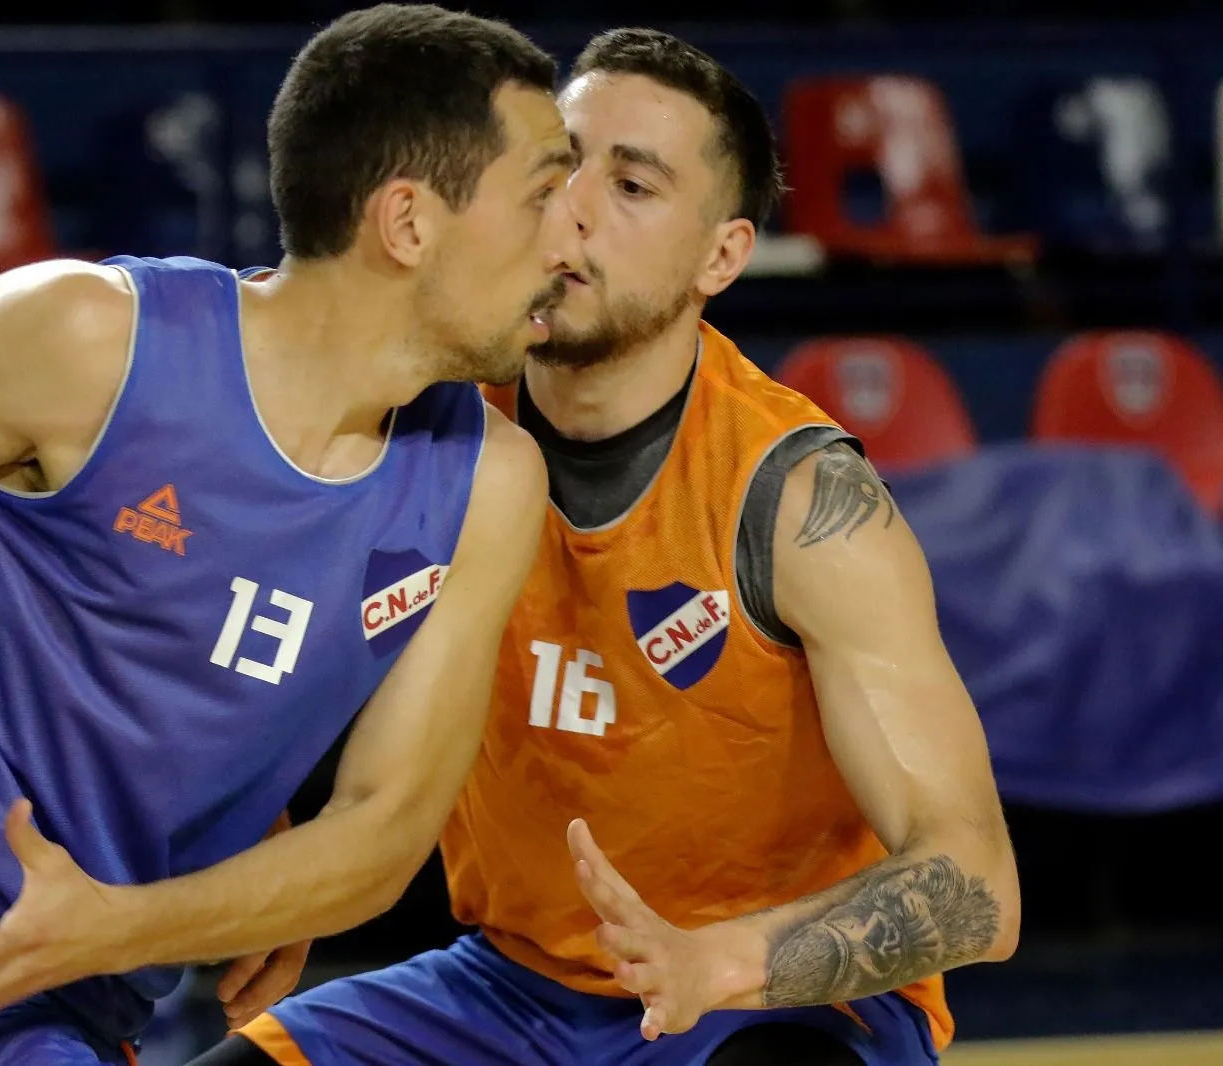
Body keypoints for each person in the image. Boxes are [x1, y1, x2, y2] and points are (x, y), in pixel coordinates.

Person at [0, 5, 585, 1063]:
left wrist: (180, 910)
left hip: (98, 987)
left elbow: (379, 835)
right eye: (544, 193)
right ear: (407, 222)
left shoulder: (486, 480)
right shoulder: (91, 341)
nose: (571, 237)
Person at [209, 28, 1022, 1066]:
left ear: (721, 255)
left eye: (631, 186)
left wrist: (713, 963)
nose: (573, 207)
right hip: (506, 987)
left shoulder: (799, 503)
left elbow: (977, 884)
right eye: (558, 167)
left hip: (767, 1005)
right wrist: (267, 819)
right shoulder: (435, 416)